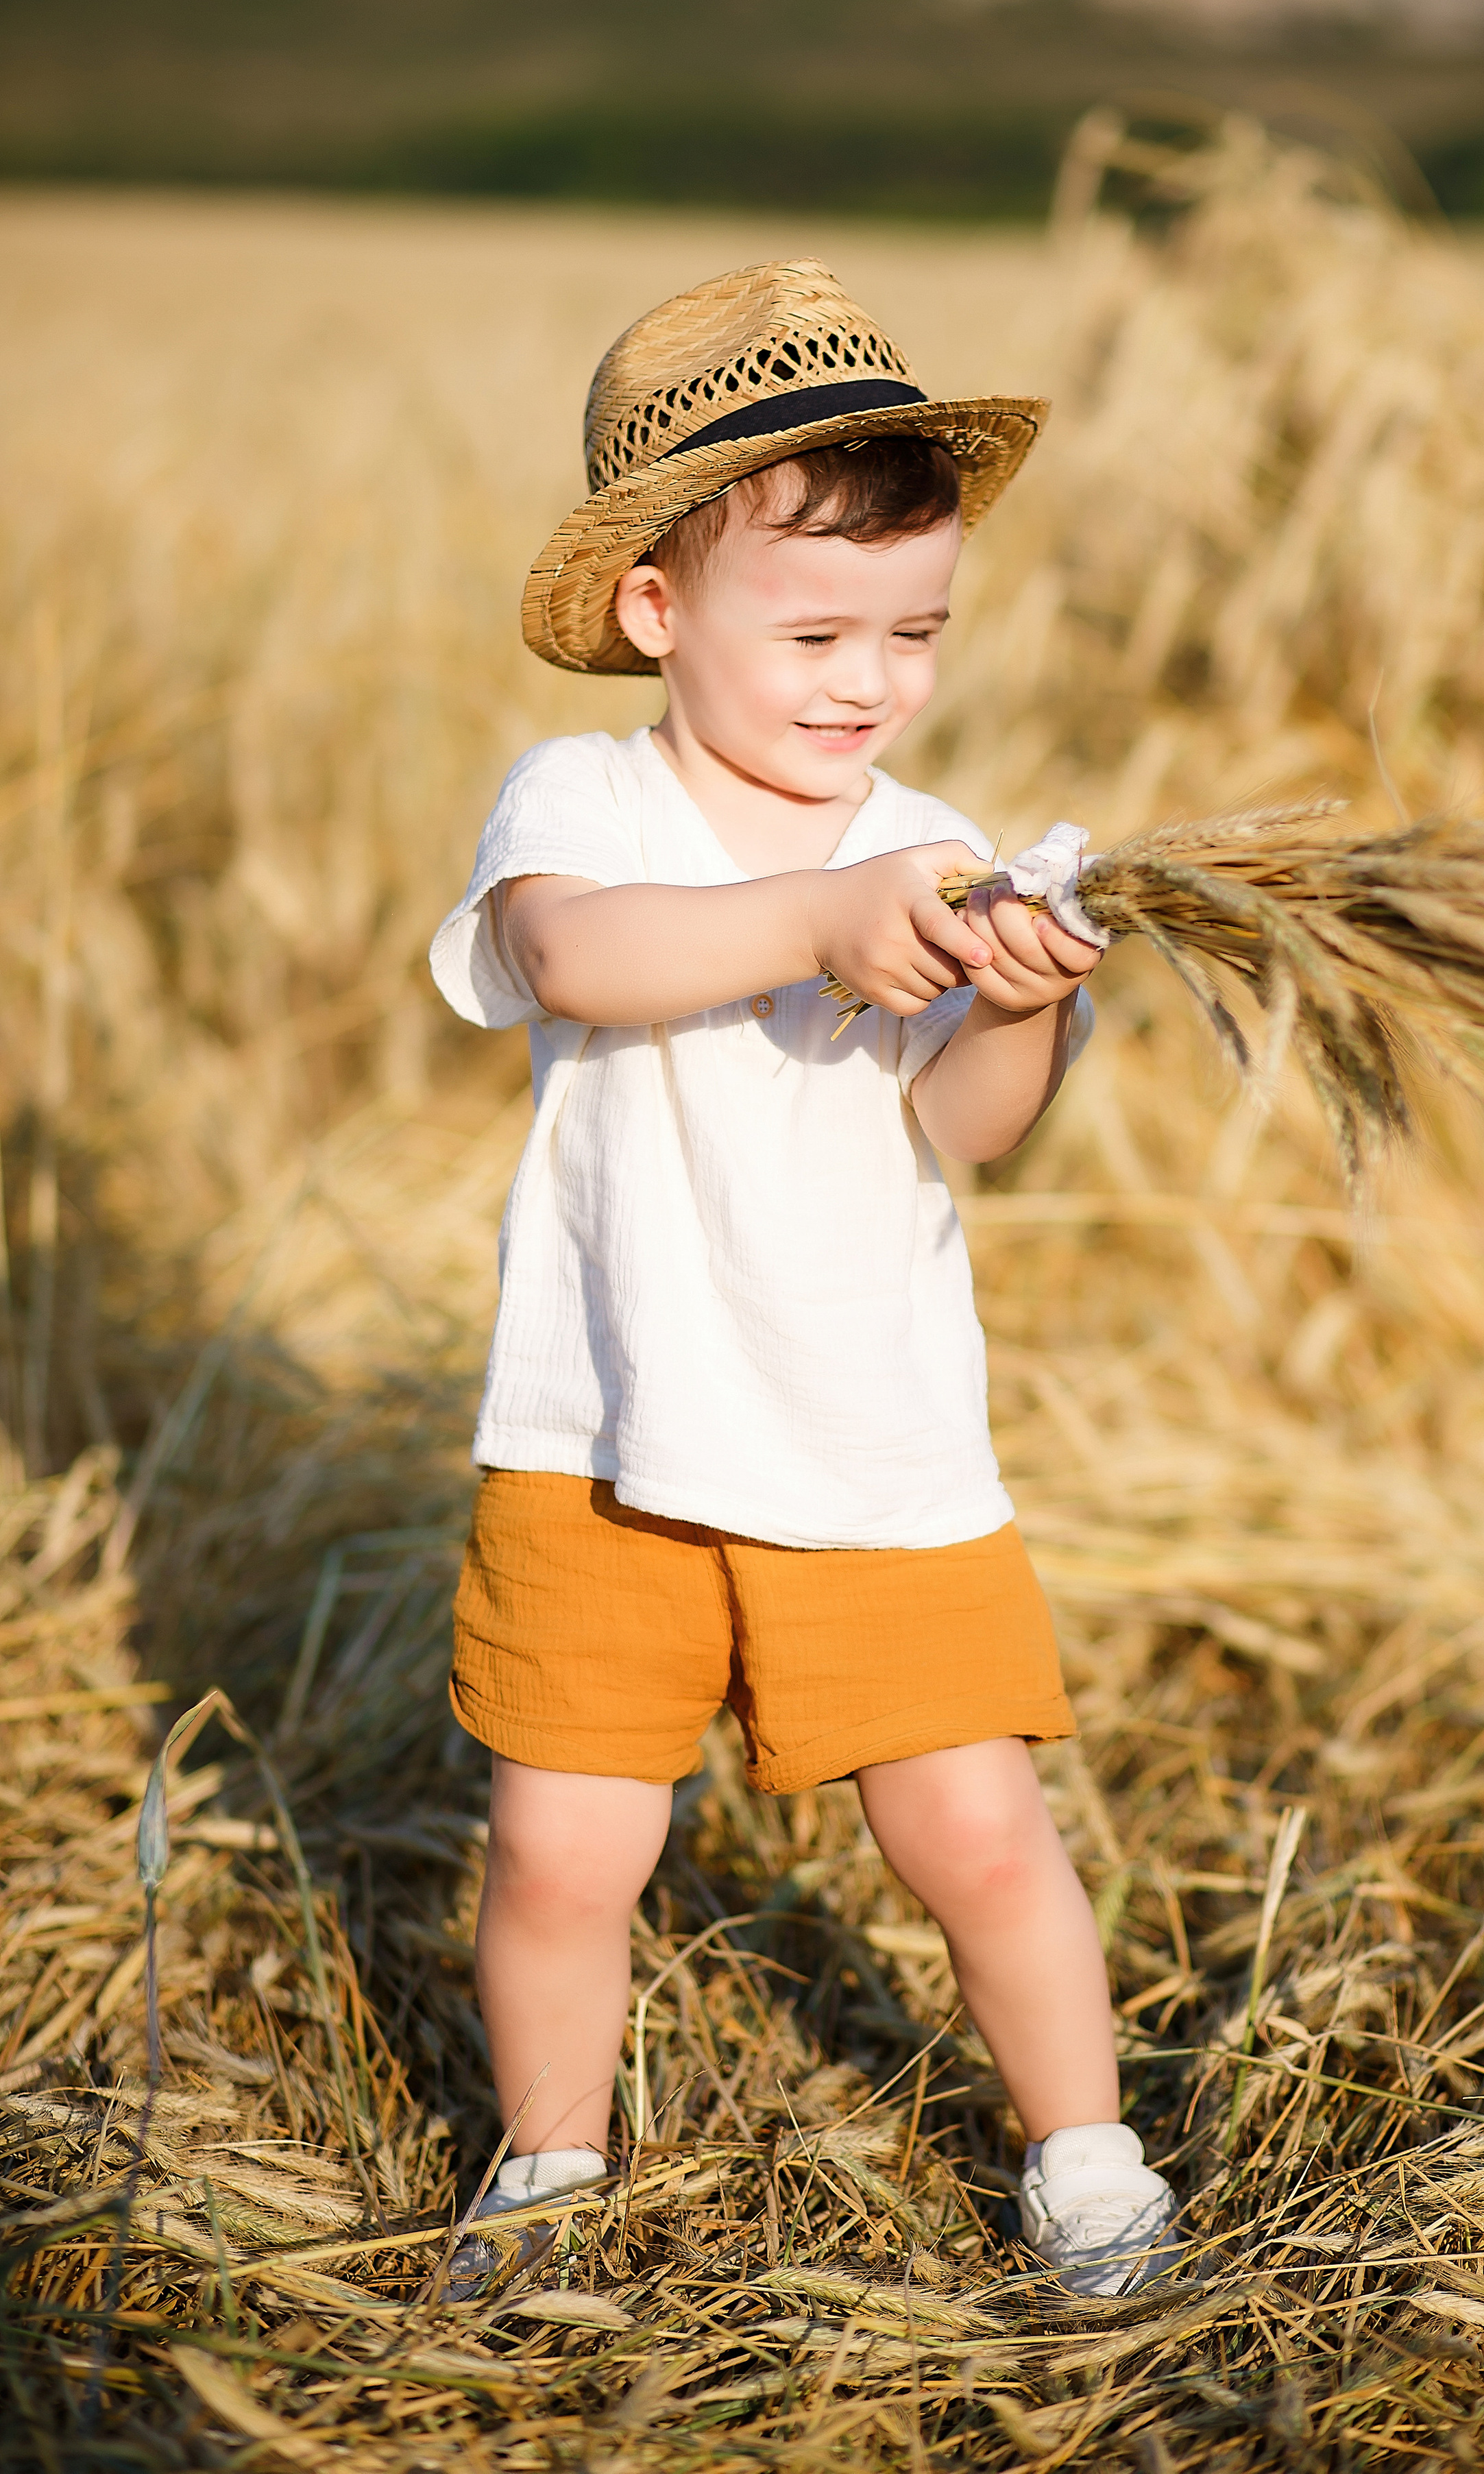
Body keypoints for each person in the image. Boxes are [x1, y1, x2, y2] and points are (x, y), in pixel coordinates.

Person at [429, 259, 1176, 2296]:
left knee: (976, 1832)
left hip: (866, 1434)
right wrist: (821, 916)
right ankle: (550, 2164)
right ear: (655, 612)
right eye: (818, 633)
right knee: (565, 1849)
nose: (870, 684)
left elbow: (971, 1130)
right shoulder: (587, 801)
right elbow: (576, 959)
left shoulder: (926, 840)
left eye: (915, 633)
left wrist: (1019, 1001)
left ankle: (1087, 2156)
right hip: (601, 1435)